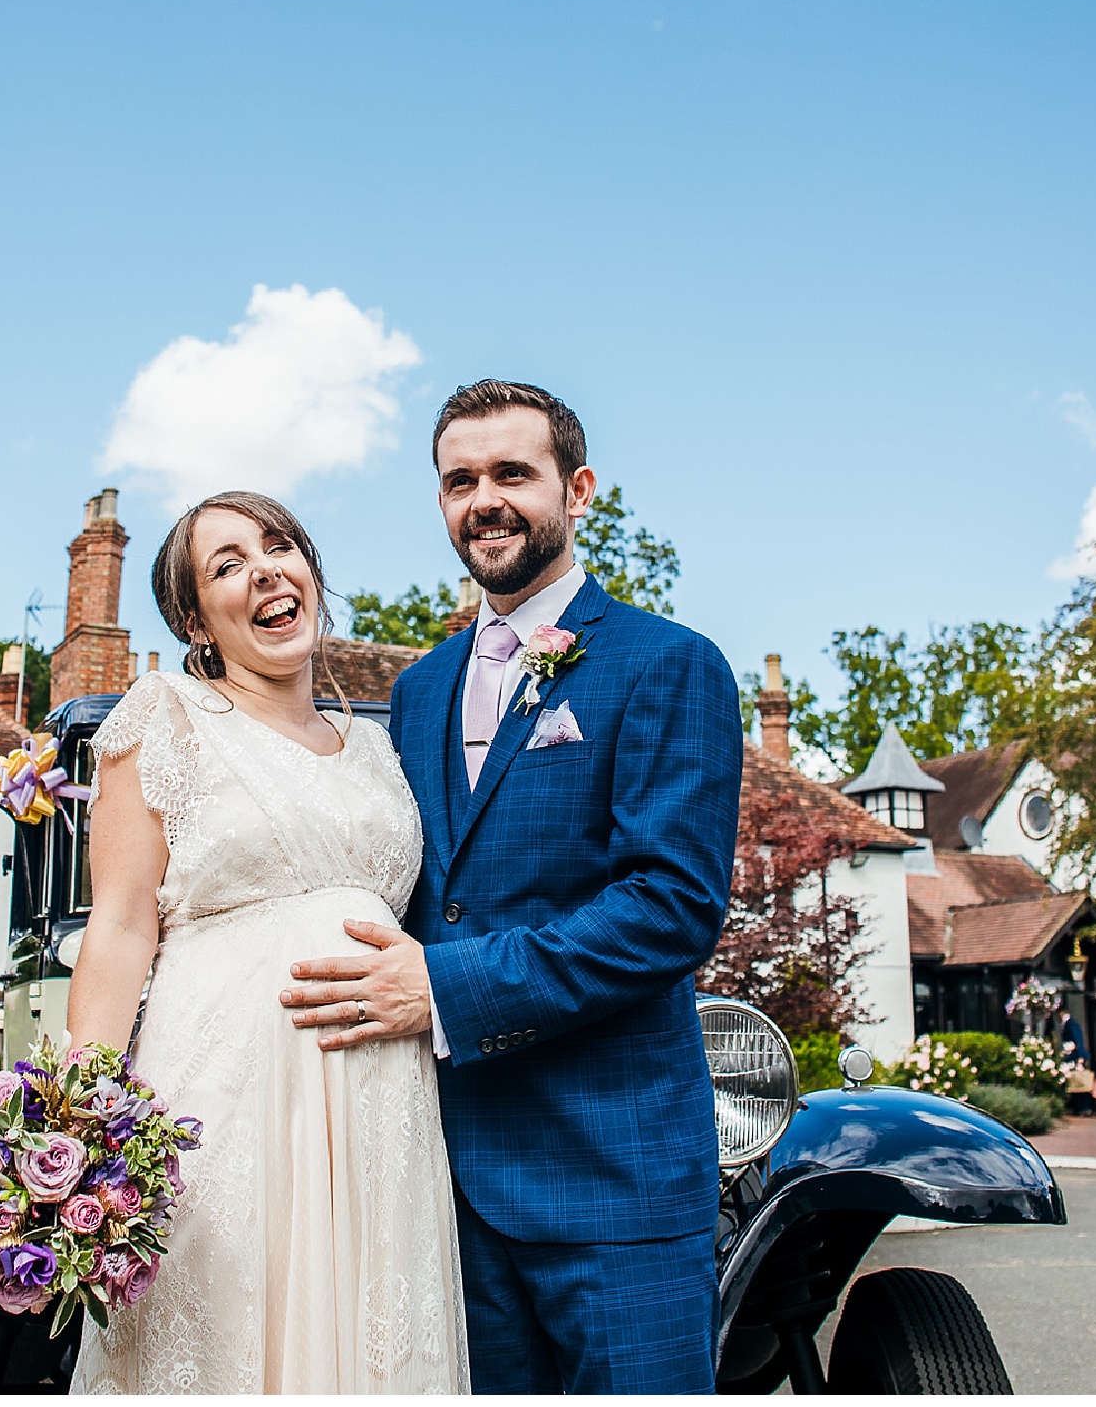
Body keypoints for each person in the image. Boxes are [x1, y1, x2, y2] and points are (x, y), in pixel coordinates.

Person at [279, 380, 744, 1393]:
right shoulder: (418, 688)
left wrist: (445, 989)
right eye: (459, 480)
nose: (483, 499)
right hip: (440, 1189)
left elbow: (671, 907)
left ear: (577, 491)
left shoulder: (671, 665)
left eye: (511, 474)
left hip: (613, 1183)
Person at [64, 492, 467, 1394]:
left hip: (381, 1103)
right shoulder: (162, 716)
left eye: (279, 546)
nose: (265, 571)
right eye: (228, 564)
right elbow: (123, 921)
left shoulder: (378, 746)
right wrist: (82, 1120)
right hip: (226, 1092)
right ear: (194, 620)